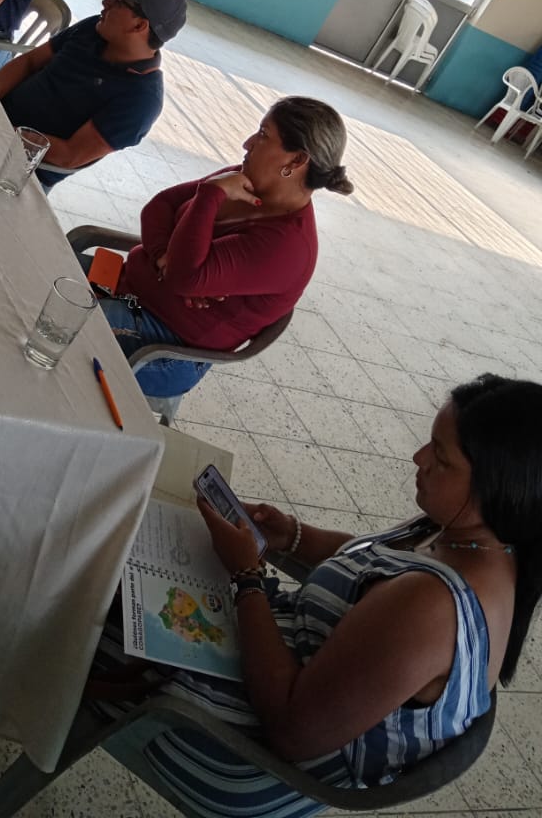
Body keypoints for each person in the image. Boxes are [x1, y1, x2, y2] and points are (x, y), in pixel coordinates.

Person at [92, 373, 542, 817]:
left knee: (81, 602)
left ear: (497, 486)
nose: (418, 457)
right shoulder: (470, 534)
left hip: (241, 754)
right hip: (262, 651)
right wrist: (290, 535)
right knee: (117, 552)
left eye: (440, 457)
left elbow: (290, 730)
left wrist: (247, 575)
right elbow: (369, 562)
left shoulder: (433, 609)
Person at [100, 97, 353, 402]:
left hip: (163, 347)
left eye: (263, 135)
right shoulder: (242, 180)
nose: (248, 144)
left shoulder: (287, 248)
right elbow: (159, 207)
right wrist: (164, 256)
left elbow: (183, 277)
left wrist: (208, 197)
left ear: (297, 160)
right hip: (127, 289)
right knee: (50, 282)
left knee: (58, 316)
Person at [0, 0, 186, 184]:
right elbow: (30, 62)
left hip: (22, 169)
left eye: (118, 0)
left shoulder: (142, 99)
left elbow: (69, 155)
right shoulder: (93, 29)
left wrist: (2, 132)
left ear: (139, 26)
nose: (106, 2)